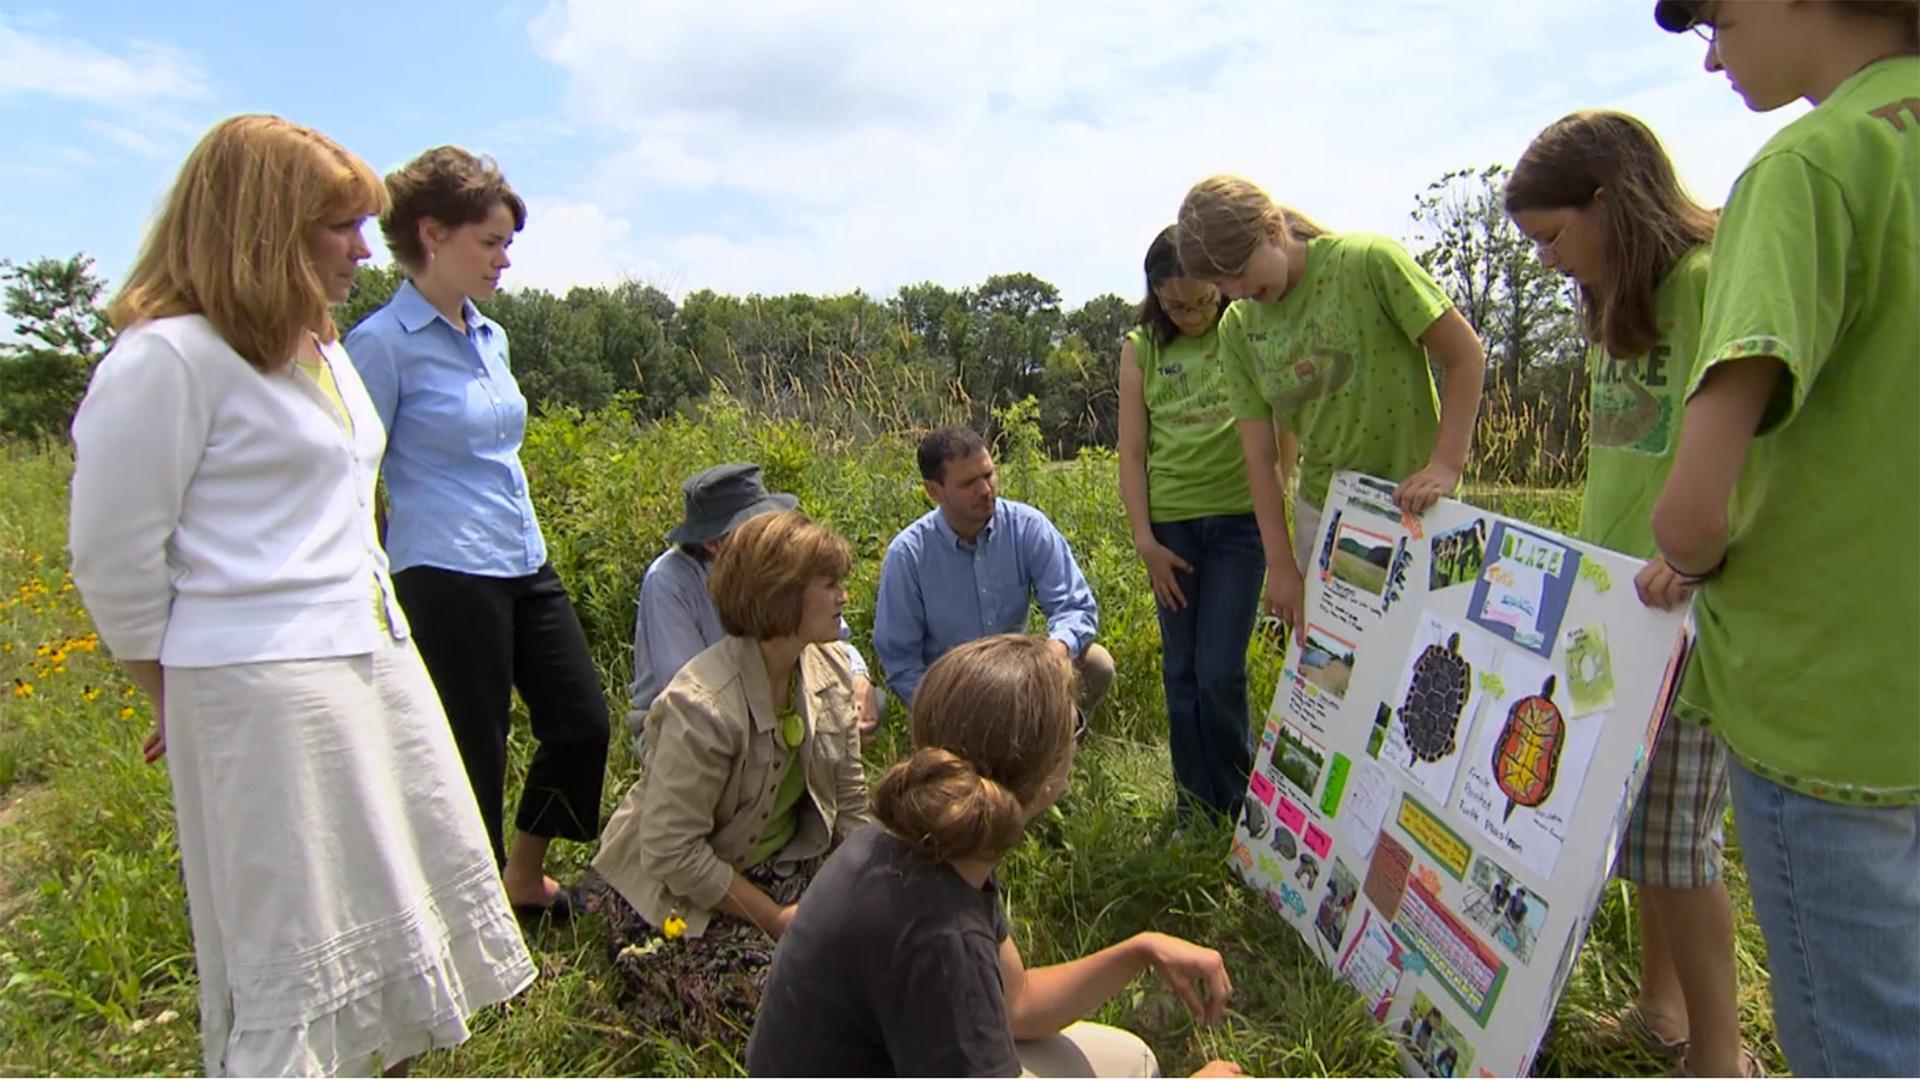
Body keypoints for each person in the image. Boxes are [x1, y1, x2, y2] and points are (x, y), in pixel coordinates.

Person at [68, 115, 534, 1077]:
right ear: (260, 226)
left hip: (372, 660)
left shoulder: (316, 349)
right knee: (300, 941)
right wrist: (172, 690)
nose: (367, 250)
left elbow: (349, 510)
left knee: (392, 939)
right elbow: (113, 558)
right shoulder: (170, 358)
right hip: (261, 686)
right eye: (340, 227)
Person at [1647, 2, 1919, 1076]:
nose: (1713, 53)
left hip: (1829, 708)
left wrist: (1689, 552)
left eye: (1715, 16)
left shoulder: (1811, 166)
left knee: (1867, 1041)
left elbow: (1689, 512)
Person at [1504, 108, 1750, 1078]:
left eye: (1554, 235)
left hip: (1692, 616)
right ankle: (1660, 1005)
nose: (1548, 260)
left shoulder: (1704, 287)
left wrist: (1694, 557)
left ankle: (1721, 1056)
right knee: (1640, 829)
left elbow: (1749, 441)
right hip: (1619, 611)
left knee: (1680, 848)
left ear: (1610, 200)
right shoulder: (1620, 305)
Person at [746, 635, 1242, 1078]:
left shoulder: (909, 842)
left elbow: (1018, 1003)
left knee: (1128, 1058)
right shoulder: (943, 937)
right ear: (1041, 772)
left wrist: (1141, 950)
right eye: (1072, 727)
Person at [345, 147, 609, 921]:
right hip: (444, 569)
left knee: (581, 723)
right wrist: (377, 579)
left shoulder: (489, 337)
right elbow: (355, 475)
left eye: (507, 245)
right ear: (432, 233)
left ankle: (521, 878)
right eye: (490, 243)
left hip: (522, 556)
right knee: (473, 749)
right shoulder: (382, 343)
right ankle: (465, 921)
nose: (505, 260)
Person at [591, 510, 871, 1045]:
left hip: (783, 864)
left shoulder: (830, 669)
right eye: (830, 584)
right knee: (786, 1010)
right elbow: (672, 851)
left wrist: (866, 891)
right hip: (684, 894)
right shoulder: (703, 706)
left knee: (880, 958)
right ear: (781, 595)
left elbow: (852, 806)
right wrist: (773, 918)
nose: (844, 597)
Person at [1173, 176, 1487, 628]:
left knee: (1427, 648)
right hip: (1326, 515)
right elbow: (1261, 459)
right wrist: (1281, 565)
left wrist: (1445, 465)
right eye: (1223, 284)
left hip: (1417, 501)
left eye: (1241, 271)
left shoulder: (1368, 263)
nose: (1238, 291)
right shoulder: (1239, 328)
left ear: (1270, 229)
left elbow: (1465, 355)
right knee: (1336, 673)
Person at [1118, 226, 1264, 825]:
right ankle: (1192, 807)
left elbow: (1277, 428)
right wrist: (1146, 542)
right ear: (1156, 296)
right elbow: (1131, 452)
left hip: (1240, 525)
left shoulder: (1244, 329)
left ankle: (1237, 802)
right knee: (1180, 670)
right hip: (1172, 530)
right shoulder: (1142, 347)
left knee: (1220, 669)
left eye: (1203, 300)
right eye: (1177, 304)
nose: (1193, 314)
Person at [627, 462, 884, 752]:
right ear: (715, 543)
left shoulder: (772, 566)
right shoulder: (669, 580)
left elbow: (832, 637)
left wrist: (859, 676)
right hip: (691, 721)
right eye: (758, 527)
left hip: (775, 694)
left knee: (863, 703)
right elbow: (686, 690)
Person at [874, 427, 1111, 720]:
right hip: (952, 693)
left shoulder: (1026, 527)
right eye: (969, 483)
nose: (986, 490)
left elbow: (1074, 606)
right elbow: (901, 663)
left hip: (1020, 677)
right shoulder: (908, 555)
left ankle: (1054, 750)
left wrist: (1055, 652)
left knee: (1097, 663)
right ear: (934, 491)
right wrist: (944, 708)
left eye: (988, 475)